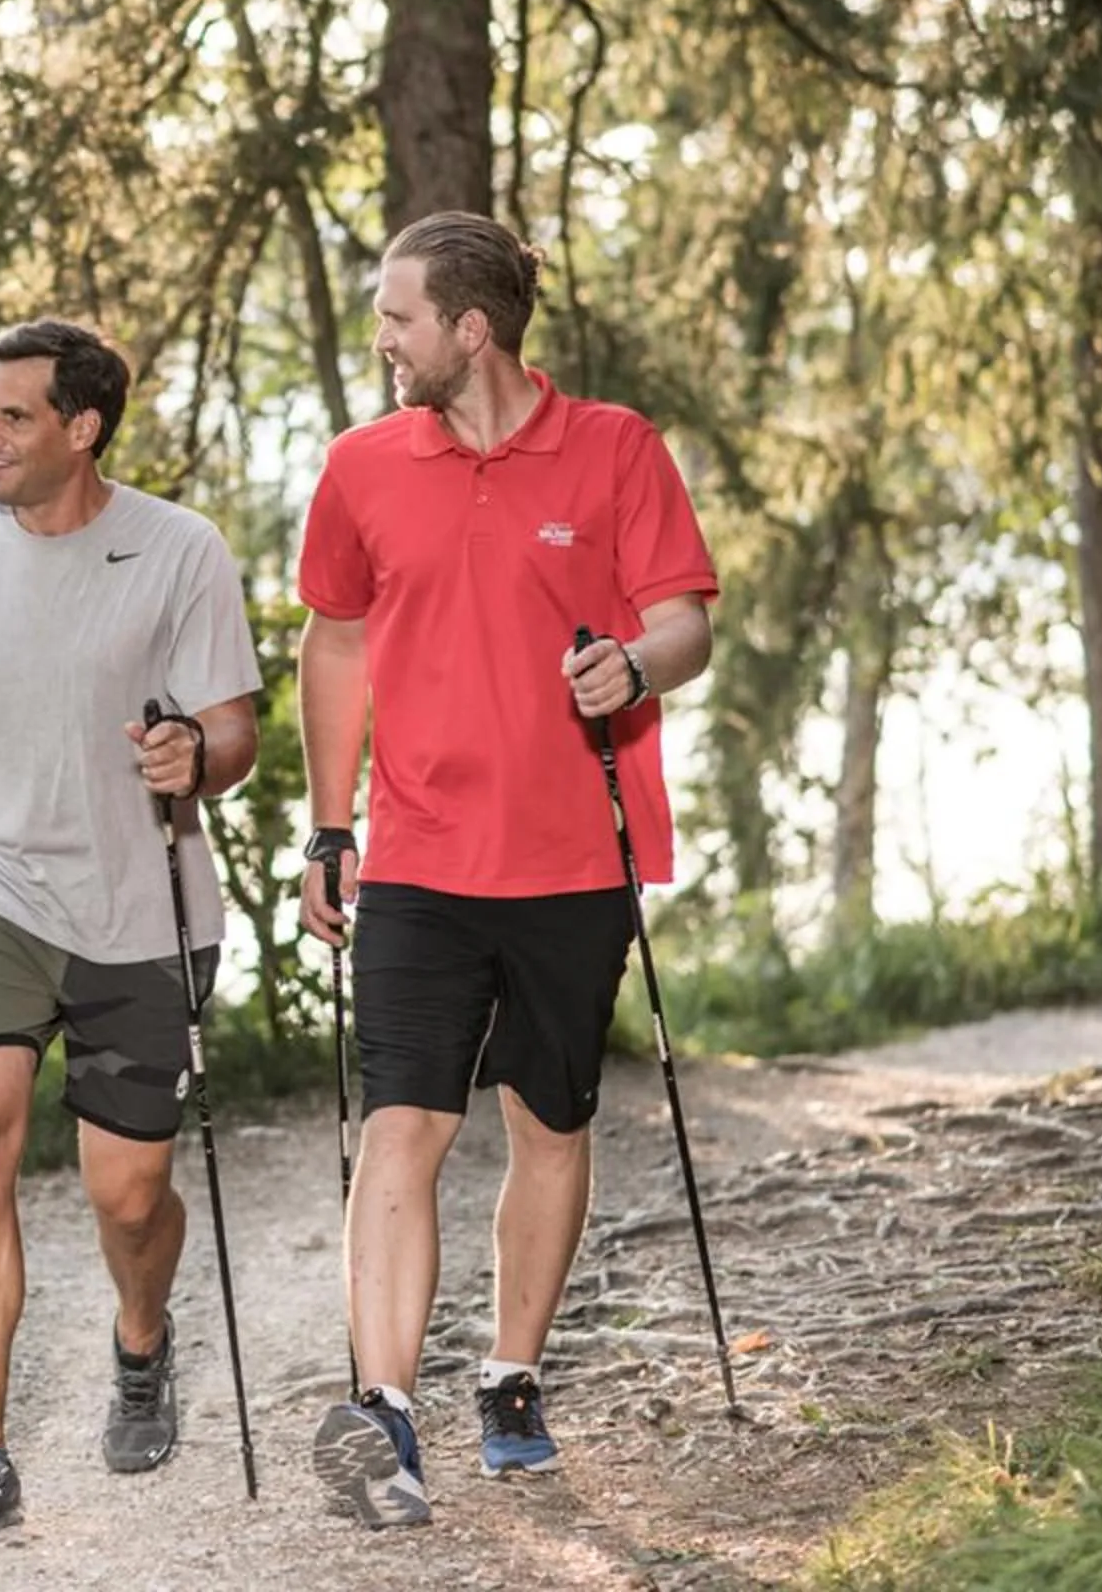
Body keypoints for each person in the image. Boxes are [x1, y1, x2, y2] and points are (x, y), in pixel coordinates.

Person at [291, 211, 718, 1530]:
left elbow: (685, 620)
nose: (383, 339)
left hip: (574, 859)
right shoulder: (363, 467)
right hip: (417, 858)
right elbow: (337, 645)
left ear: (471, 332)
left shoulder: (613, 450)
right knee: (402, 1127)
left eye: (400, 318)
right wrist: (326, 823)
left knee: (549, 1124)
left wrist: (634, 665)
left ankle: (513, 1378)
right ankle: (388, 1415)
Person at [0, 319, 263, 1542]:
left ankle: (142, 1335)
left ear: (83, 427)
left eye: (14, 415)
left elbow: (231, 729)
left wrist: (198, 753)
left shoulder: (177, 548)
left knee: (128, 1195)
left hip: (143, 906)